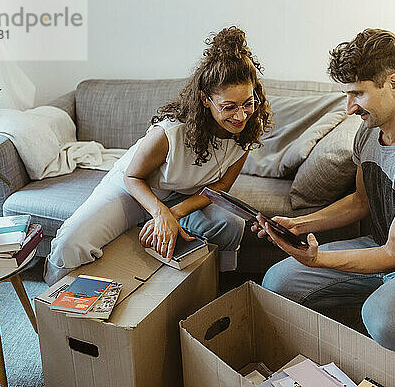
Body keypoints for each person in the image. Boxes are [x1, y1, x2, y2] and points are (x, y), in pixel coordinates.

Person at [253, 29, 395, 387]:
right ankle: (386, 303)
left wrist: (316, 260)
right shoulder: (369, 132)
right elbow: (360, 201)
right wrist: (298, 224)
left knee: (382, 319)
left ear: (394, 83)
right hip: (384, 246)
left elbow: (394, 253)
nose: (350, 107)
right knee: (277, 282)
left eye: (358, 93)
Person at [44, 26, 272, 286]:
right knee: (70, 243)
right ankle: (55, 308)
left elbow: (221, 186)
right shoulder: (170, 132)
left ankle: (216, 286)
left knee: (232, 225)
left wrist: (173, 213)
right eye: (229, 107)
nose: (241, 115)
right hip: (135, 189)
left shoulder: (247, 129)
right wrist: (158, 211)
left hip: (185, 194)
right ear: (205, 99)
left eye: (248, 103)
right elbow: (133, 176)